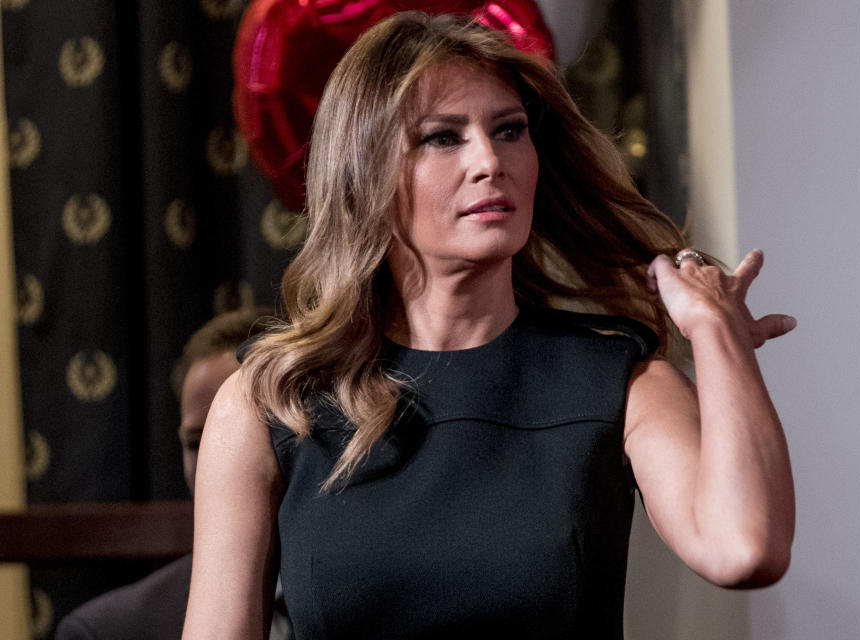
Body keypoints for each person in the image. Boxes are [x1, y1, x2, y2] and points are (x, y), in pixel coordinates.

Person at [184, 11, 796, 639]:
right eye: (443, 137)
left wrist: (718, 336)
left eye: (509, 131)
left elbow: (744, 549)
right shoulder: (271, 404)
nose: (489, 160)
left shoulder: (622, 381)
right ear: (363, 173)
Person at [55, 308, 287, 640]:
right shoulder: (106, 632)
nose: (216, 462)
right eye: (196, 443)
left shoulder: (375, 604)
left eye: (248, 440)